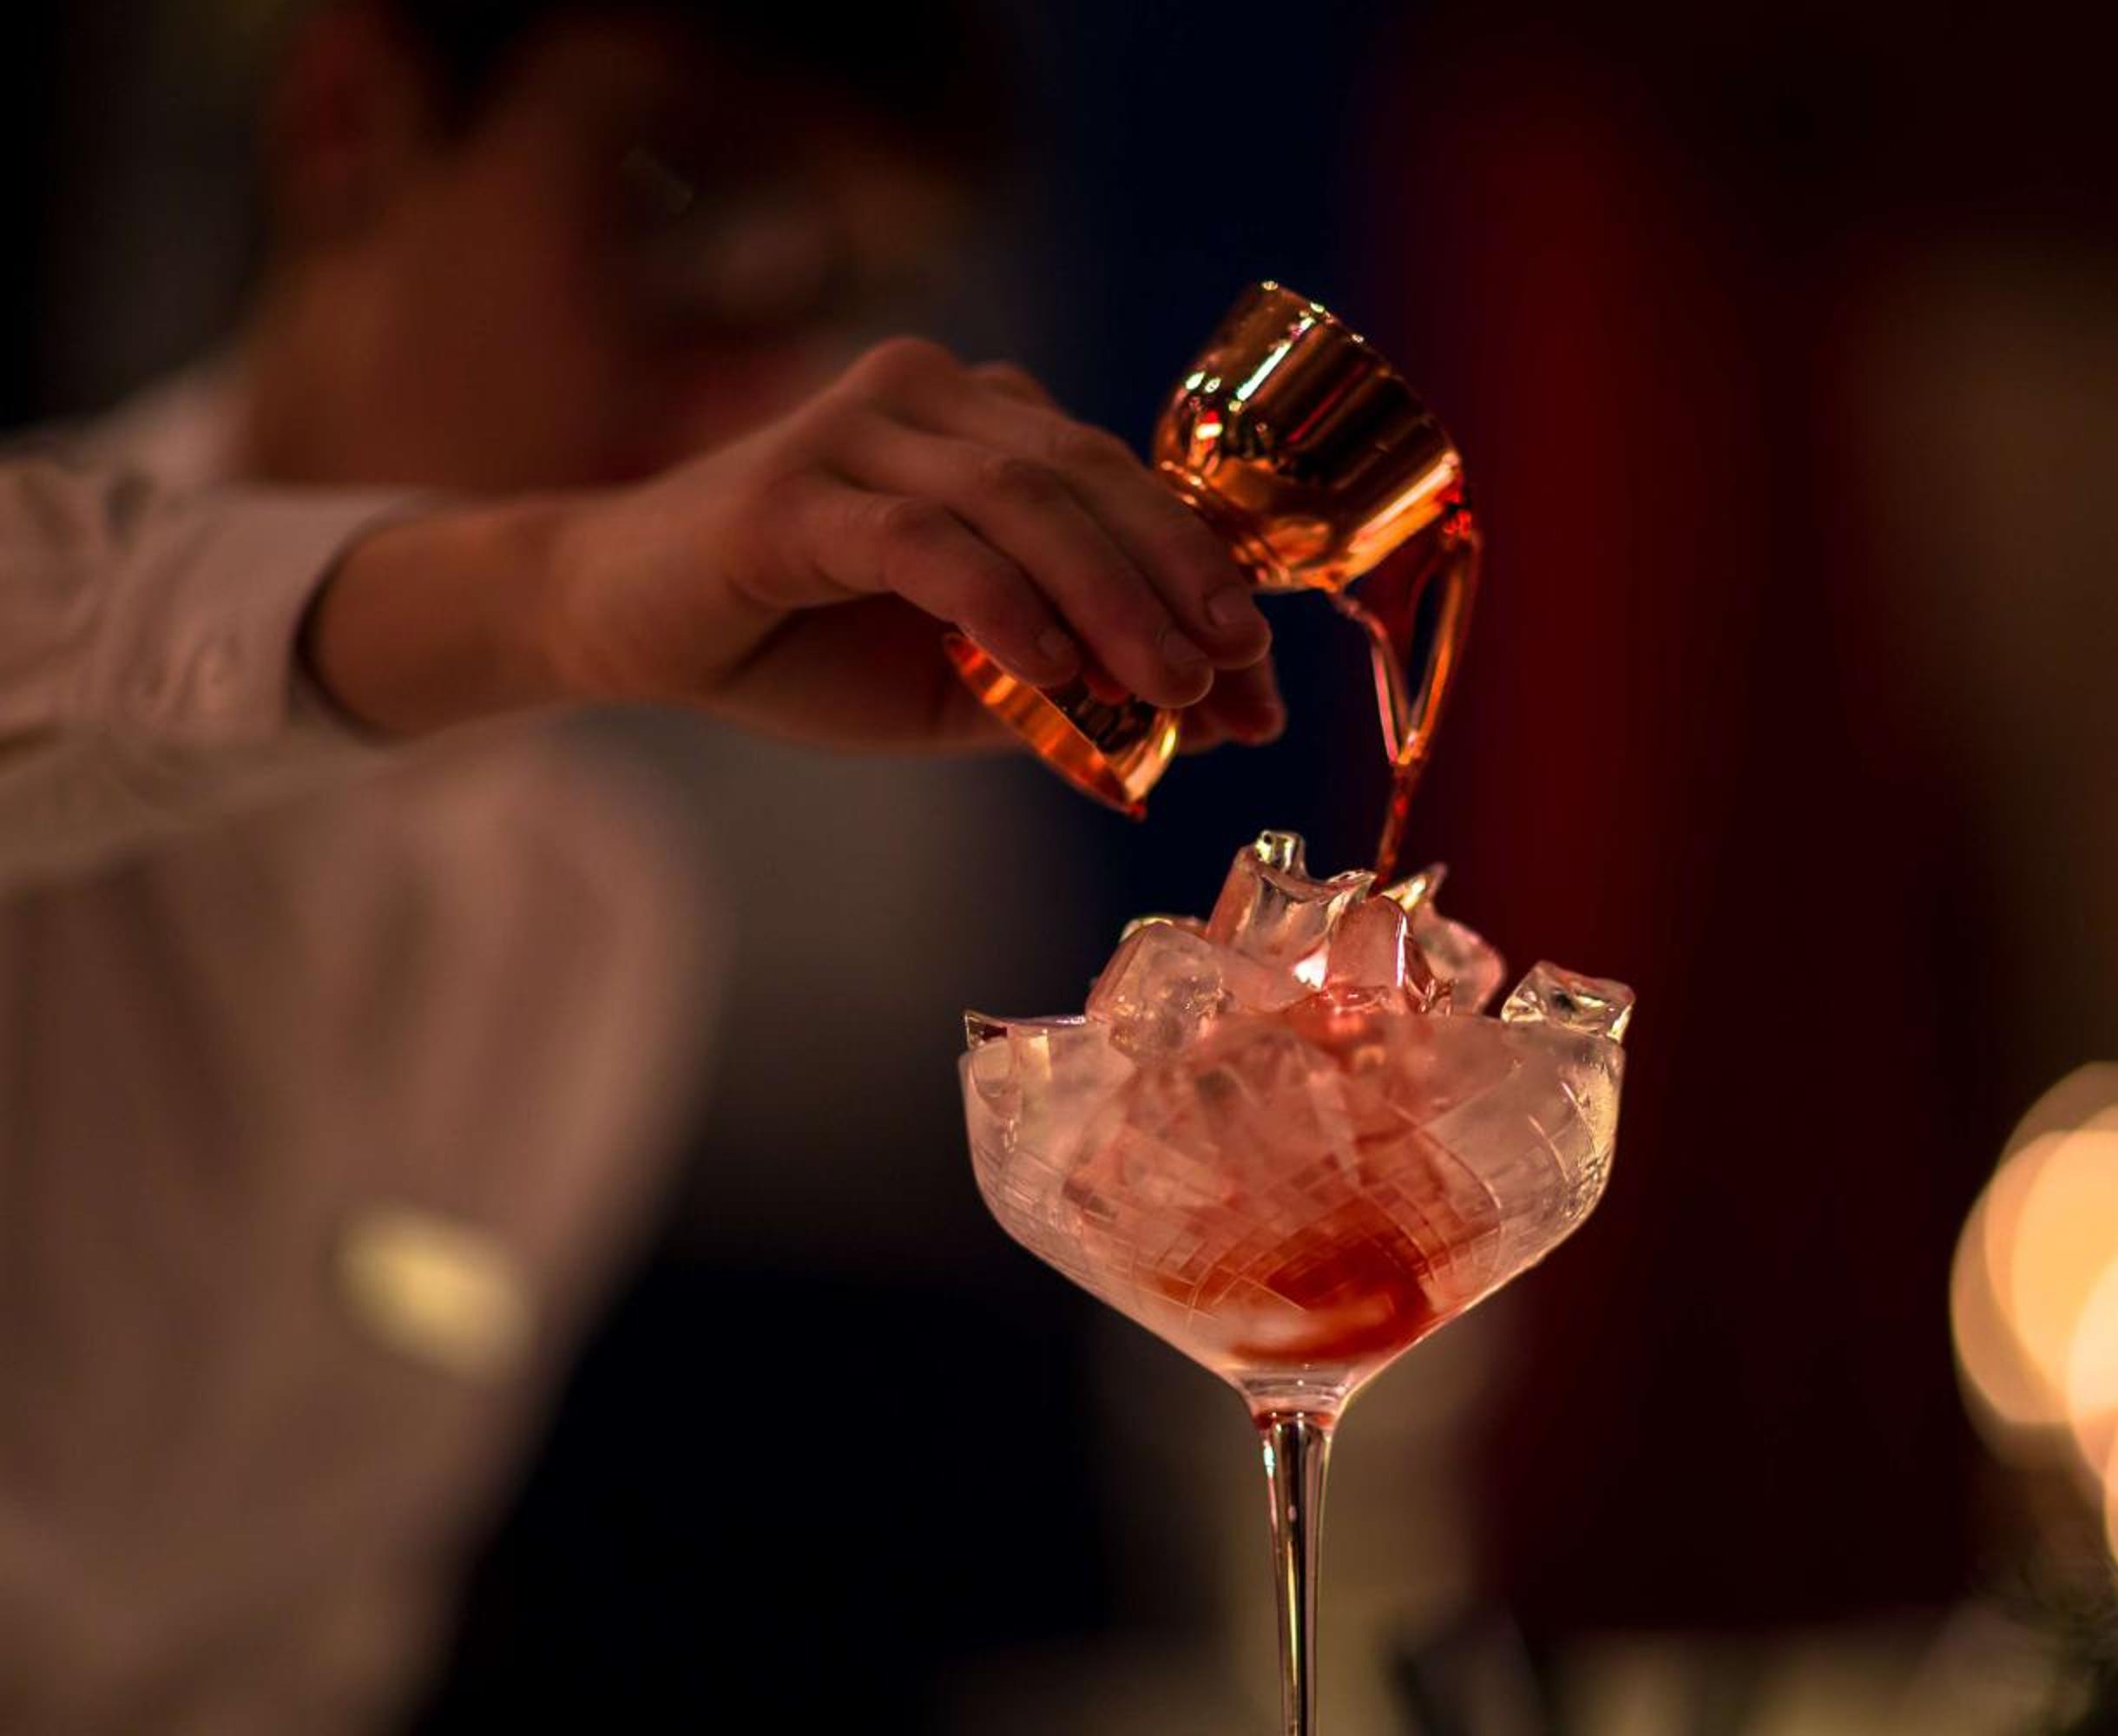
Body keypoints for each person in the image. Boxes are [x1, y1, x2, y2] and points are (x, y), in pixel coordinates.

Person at [0, 1, 1279, 1726]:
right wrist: (559, 586)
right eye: (692, 203)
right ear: (349, 117)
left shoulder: (594, 926)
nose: (757, 366)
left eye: (840, 288)